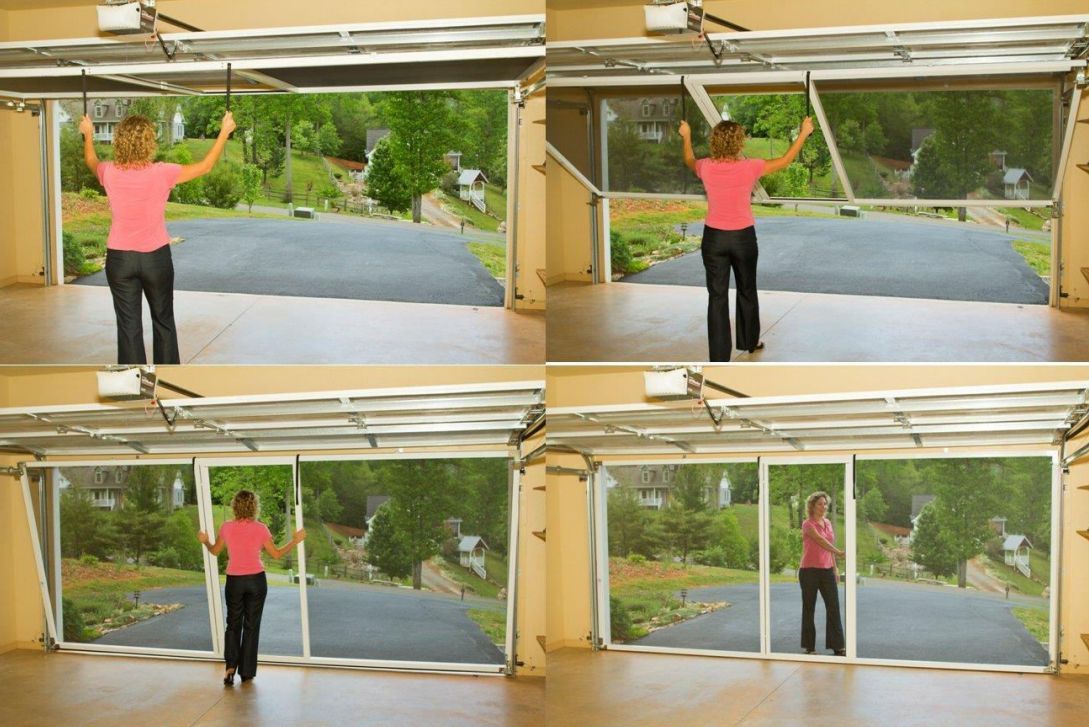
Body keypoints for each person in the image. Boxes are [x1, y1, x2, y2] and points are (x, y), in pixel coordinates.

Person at [80, 110, 236, 364]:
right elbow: (205, 166)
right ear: (149, 142)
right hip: (155, 260)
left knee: (128, 328)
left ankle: (136, 391)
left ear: (120, 141)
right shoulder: (163, 172)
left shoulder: (108, 172)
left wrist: (88, 133)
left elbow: (90, 160)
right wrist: (224, 131)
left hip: (120, 261)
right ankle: (167, 385)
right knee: (163, 320)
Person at [678, 115, 814, 361]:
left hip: (714, 240)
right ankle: (749, 341)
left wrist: (686, 135)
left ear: (715, 143)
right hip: (743, 239)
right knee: (747, 289)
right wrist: (804, 133)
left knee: (717, 296)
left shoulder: (705, 166)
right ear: (739, 143)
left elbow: (689, 159)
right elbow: (785, 160)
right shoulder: (750, 167)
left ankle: (719, 357)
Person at [197, 489, 306, 686]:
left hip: (235, 582)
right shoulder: (261, 529)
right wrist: (295, 541)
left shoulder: (226, 527)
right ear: (254, 506)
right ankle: (246, 672)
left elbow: (214, 551)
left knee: (233, 624)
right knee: (251, 626)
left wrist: (205, 541)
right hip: (256, 581)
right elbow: (277, 554)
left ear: (235, 506)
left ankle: (230, 668)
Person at [799, 490, 845, 656]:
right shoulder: (808, 524)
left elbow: (828, 548)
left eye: (825, 504)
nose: (823, 507)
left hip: (827, 571)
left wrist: (835, 568)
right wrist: (839, 552)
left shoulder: (828, 523)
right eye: (820, 504)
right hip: (809, 571)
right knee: (809, 608)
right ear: (812, 506)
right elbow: (821, 541)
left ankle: (837, 646)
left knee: (833, 607)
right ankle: (809, 647)